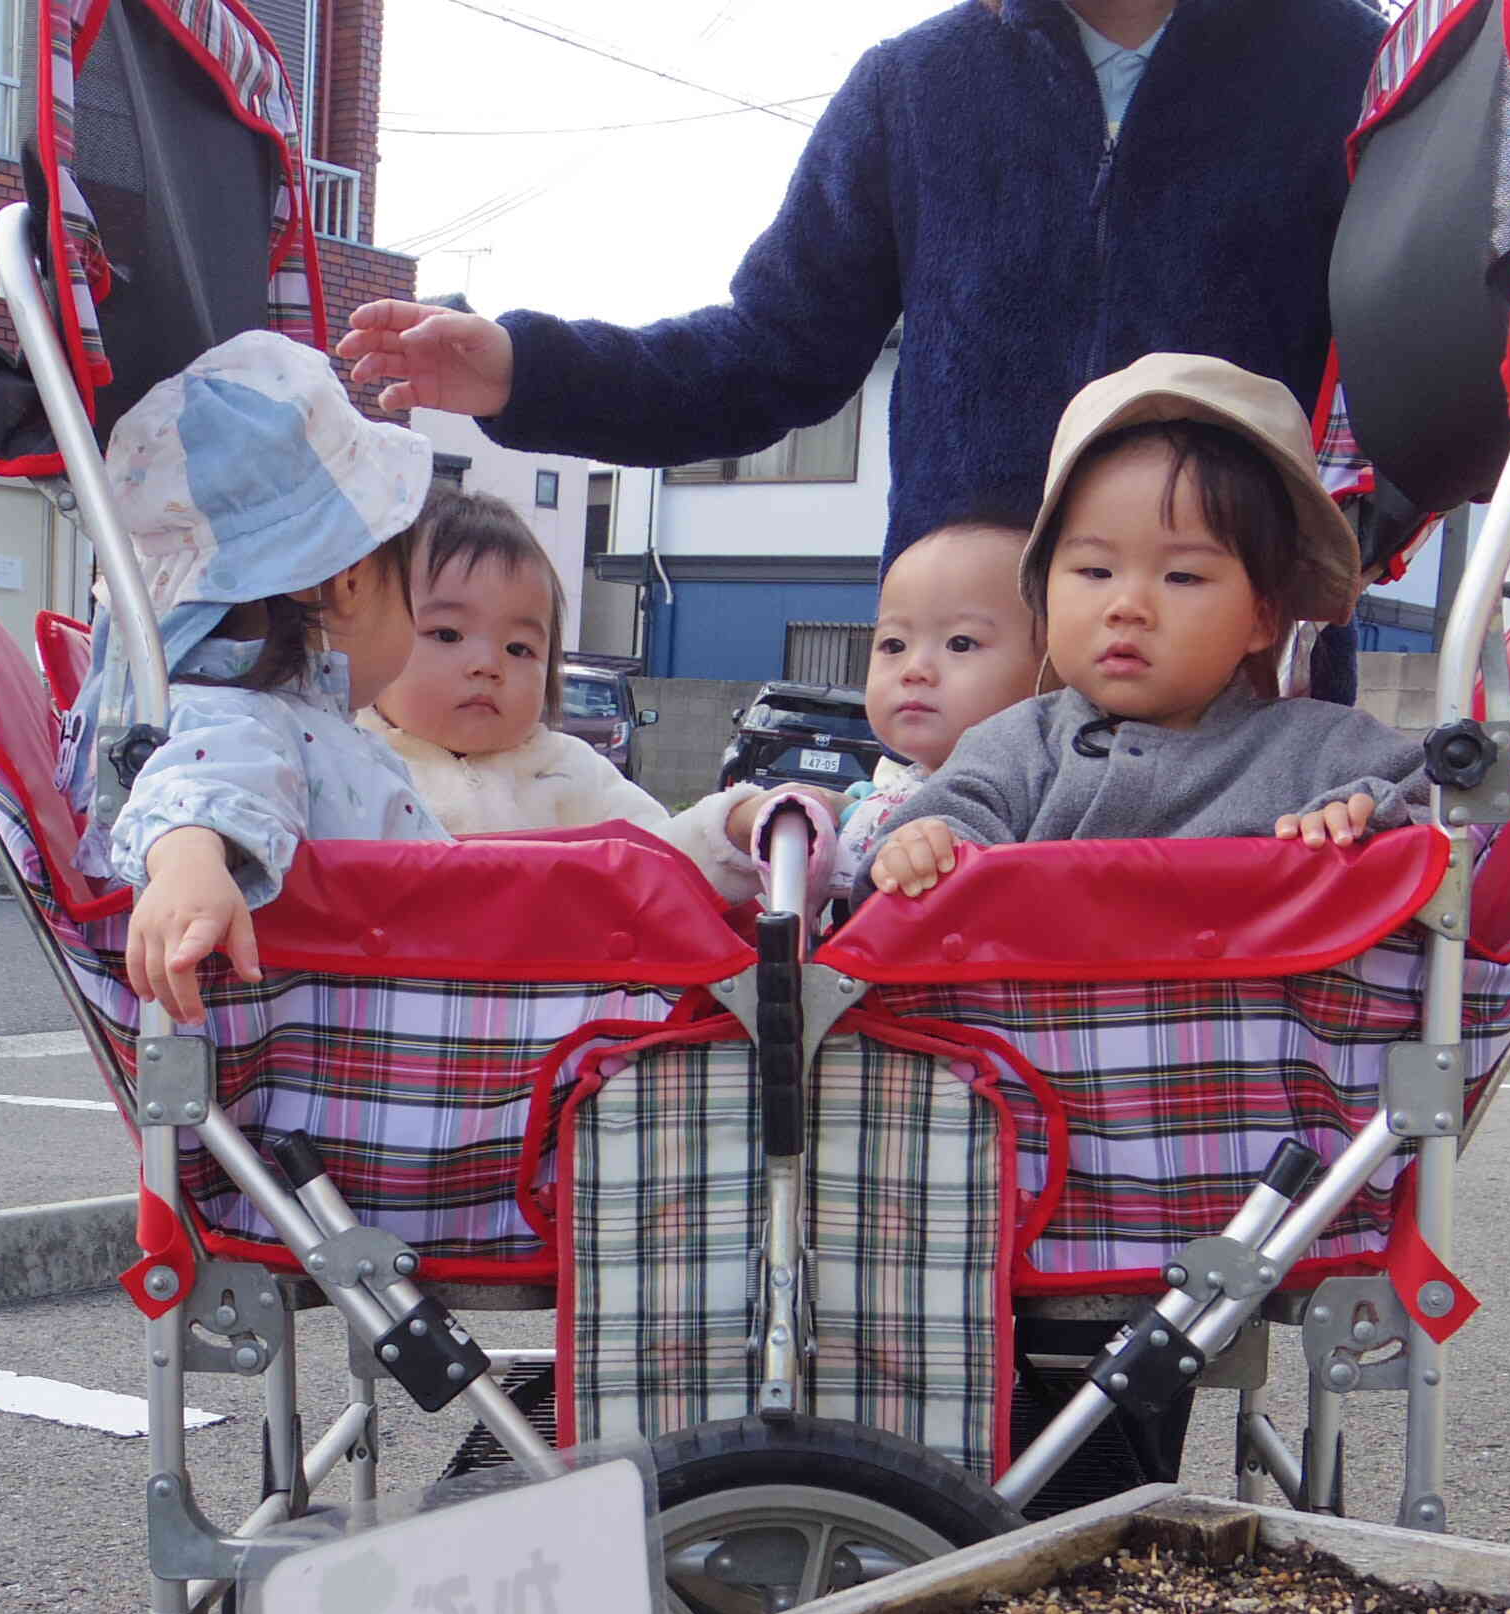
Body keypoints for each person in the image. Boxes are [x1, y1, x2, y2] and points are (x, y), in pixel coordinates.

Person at [336, 0, 1388, 697]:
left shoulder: (1355, 66)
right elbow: (767, 352)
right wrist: (529, 371)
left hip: (1243, 693)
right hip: (976, 678)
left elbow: (1419, 382)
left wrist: (1333, 551)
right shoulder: (918, 88)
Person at [871, 354, 1422, 897]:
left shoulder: (1320, 747)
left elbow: (1453, 818)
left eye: (1181, 576)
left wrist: (1368, 813)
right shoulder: (1015, 746)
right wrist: (922, 845)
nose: (1127, 606)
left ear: (1262, 617)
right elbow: (942, 819)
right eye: (1095, 571)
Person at [81, 330, 449, 1025]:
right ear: (353, 579)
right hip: (389, 1031)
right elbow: (201, 778)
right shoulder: (243, 714)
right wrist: (189, 862)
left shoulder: (293, 716)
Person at [357, 487, 757, 898]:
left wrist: (736, 828)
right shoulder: (347, 761)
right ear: (364, 636)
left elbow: (664, 859)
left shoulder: (570, 771)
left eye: (518, 648)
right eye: (447, 633)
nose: (488, 665)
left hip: (554, 962)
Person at [828, 512, 1048, 887]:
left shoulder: (1041, 806)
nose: (914, 669)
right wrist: (812, 808)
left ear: (1051, 670)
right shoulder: (878, 797)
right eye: (893, 645)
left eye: (960, 643)